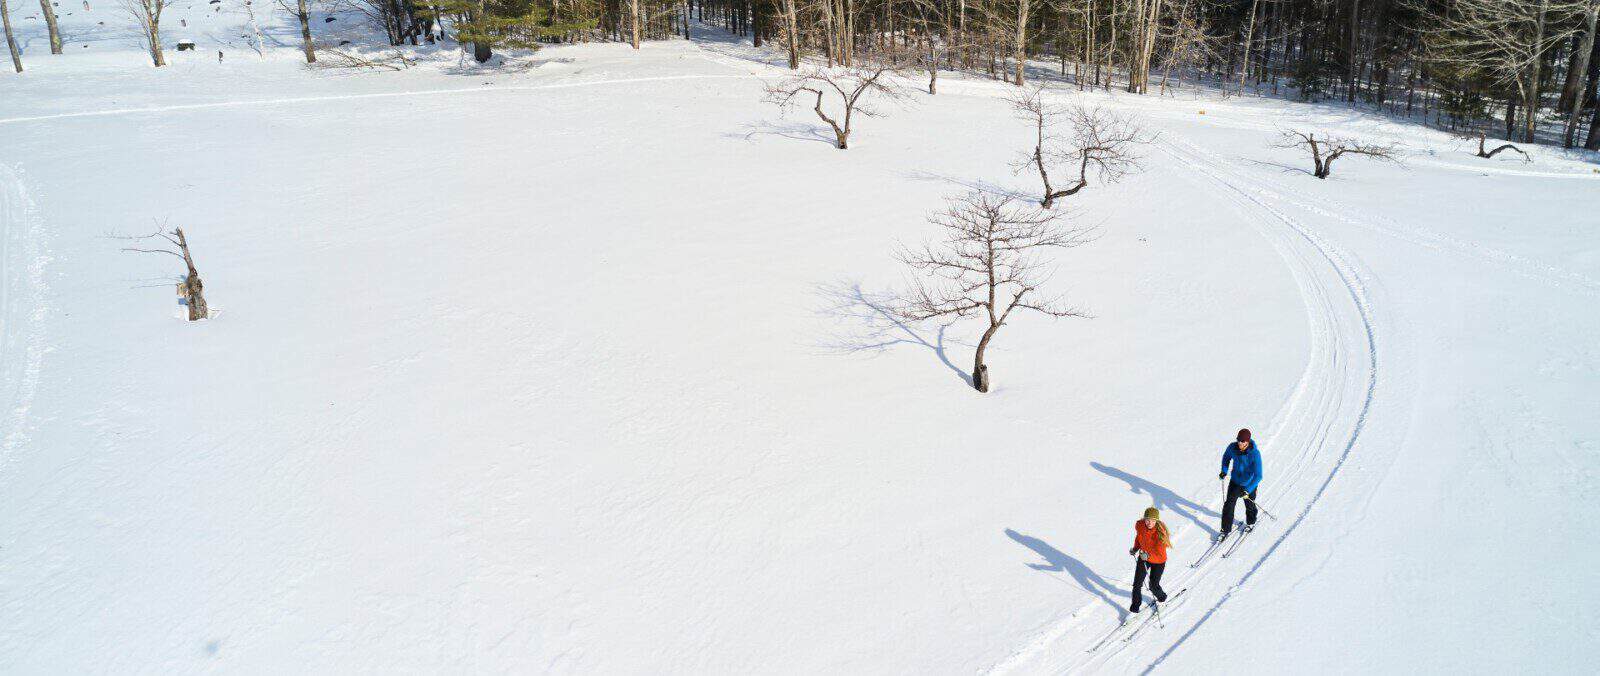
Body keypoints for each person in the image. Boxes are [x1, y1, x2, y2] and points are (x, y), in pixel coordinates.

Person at [1218, 428, 1264, 537]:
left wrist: (1248, 490)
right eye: (1238, 440)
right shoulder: (1232, 447)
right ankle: (1225, 530)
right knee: (1229, 505)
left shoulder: (1255, 454)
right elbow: (1226, 457)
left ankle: (1251, 522)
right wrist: (1224, 471)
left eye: (1243, 441)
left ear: (1248, 441)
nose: (1240, 443)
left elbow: (1258, 475)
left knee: (1250, 504)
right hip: (1235, 481)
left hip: (1249, 483)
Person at [1128, 507, 1171, 614]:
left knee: (1153, 585)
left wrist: (1148, 556)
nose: (1149, 522)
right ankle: (1135, 608)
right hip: (1144, 557)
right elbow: (1139, 538)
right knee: (1137, 584)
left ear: (1157, 520)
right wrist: (1135, 548)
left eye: (1152, 520)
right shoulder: (1140, 526)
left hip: (1159, 561)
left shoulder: (1161, 533)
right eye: (1147, 519)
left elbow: (1159, 553)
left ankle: (1162, 599)